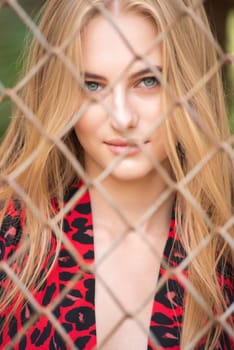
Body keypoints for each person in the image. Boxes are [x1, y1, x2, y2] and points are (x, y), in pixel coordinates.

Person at [0, 0, 233, 349]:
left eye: (148, 81)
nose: (122, 118)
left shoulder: (224, 243)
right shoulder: (11, 236)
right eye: (92, 85)